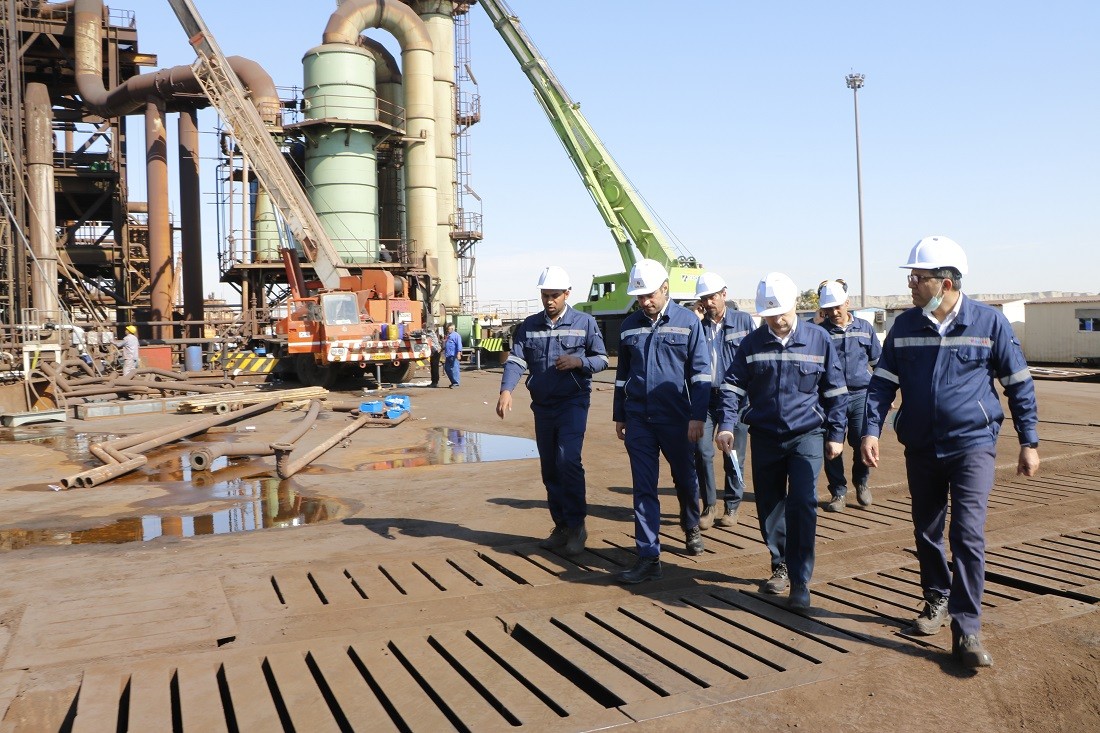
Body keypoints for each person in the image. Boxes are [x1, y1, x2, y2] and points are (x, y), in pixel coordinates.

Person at [861, 235, 1039, 669]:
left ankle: (967, 628)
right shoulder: (905, 326)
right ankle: (937, 597)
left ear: (945, 283)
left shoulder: (989, 323)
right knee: (927, 530)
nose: (910, 285)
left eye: (917, 278)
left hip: (972, 444)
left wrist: (1028, 441)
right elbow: (882, 383)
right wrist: (870, 430)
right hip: (921, 446)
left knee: (967, 534)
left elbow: (1018, 385)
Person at [716, 272, 847, 609]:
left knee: (803, 502)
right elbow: (732, 386)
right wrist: (727, 425)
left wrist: (836, 434)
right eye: (769, 315)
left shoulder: (819, 339)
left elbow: (835, 392)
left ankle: (800, 580)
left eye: (781, 314)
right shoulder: (752, 343)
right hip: (765, 436)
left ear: (794, 306)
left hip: (807, 435)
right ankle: (781, 563)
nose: (776, 321)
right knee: (770, 504)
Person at [497, 266, 609, 556]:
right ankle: (561, 526)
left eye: (554, 295)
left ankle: (577, 526)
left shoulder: (585, 322)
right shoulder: (529, 325)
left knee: (567, 460)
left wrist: (579, 362)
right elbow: (517, 360)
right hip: (543, 406)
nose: (549, 300)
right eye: (545, 295)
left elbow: (602, 359)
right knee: (550, 467)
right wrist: (506, 390)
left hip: (573, 403)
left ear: (567, 294)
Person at [613, 258, 711, 584]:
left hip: (677, 418)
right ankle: (648, 556)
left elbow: (700, 374)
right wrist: (619, 414)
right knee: (644, 487)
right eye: (639, 296)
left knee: (685, 478)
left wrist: (697, 416)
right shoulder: (629, 326)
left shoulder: (688, 322)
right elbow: (621, 375)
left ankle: (691, 524)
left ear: (665, 288)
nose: (644, 301)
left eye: (649, 295)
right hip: (639, 418)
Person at [692, 272, 755, 529]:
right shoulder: (697, 324)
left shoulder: (743, 321)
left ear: (724, 294)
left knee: (733, 455)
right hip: (705, 399)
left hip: (737, 400)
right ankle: (709, 505)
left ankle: (732, 506)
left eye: (713, 297)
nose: (708, 303)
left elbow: (754, 357)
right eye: (704, 298)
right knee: (701, 451)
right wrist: (694, 323)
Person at [816, 279, 881, 512]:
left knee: (862, 441)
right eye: (828, 309)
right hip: (829, 399)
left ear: (847, 303)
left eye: (837, 307)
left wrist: (883, 395)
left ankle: (861, 481)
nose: (834, 313)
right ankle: (838, 492)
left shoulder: (865, 328)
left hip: (861, 395)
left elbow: (878, 364)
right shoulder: (819, 332)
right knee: (832, 445)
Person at [444, 323, 463, 388]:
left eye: (448, 329)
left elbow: (459, 345)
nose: (447, 330)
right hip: (448, 355)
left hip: (453, 355)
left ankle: (456, 383)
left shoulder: (456, 335)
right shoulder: (448, 336)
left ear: (452, 329)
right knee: (447, 368)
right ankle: (453, 382)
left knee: (455, 369)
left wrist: (458, 353)